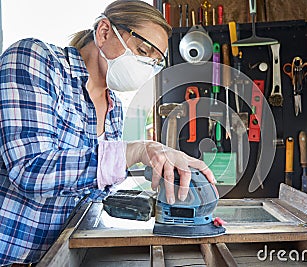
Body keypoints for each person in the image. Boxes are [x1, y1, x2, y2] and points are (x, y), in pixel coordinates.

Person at [0, 0, 215, 265]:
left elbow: (92, 194)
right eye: (142, 50)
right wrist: (135, 150)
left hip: (64, 256)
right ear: (104, 32)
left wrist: (150, 198)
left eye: (155, 62)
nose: (146, 67)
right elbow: (30, 169)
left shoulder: (114, 110)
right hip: (12, 255)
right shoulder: (37, 60)